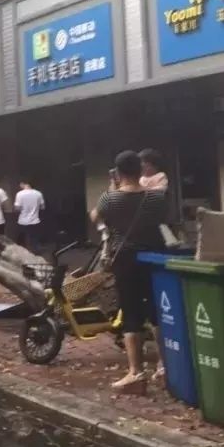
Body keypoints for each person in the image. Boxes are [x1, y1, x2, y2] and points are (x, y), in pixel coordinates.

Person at [91, 151, 168, 394]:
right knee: (157, 311)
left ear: (118, 172)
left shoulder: (109, 198)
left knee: (131, 312)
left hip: (125, 260)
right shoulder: (156, 198)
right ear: (141, 170)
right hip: (154, 257)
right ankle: (164, 366)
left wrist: (112, 187)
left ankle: (136, 373)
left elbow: (96, 216)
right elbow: (164, 219)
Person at [14, 180, 47, 254]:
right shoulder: (38, 193)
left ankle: (23, 254)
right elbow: (42, 207)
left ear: (23, 184)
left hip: (23, 221)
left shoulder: (20, 194)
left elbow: (17, 208)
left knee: (22, 240)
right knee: (34, 239)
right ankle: (36, 253)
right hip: (35, 220)